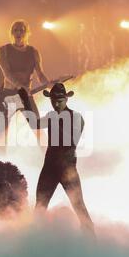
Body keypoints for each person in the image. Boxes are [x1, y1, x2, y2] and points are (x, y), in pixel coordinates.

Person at [18, 83, 95, 236]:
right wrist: (26, 101)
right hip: (51, 167)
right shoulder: (54, 116)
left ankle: (91, 240)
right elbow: (35, 124)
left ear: (66, 99)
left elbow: (70, 142)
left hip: (66, 168)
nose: (56, 103)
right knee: (40, 207)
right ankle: (33, 242)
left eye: (59, 99)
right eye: (53, 100)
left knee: (78, 206)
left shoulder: (76, 118)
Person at [0, 19, 49, 155]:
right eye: (15, 30)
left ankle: (50, 160)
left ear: (27, 33)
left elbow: (40, 73)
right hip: (8, 95)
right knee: (3, 131)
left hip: (26, 97)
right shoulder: (4, 50)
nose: (18, 32)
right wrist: (20, 86)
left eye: (21, 30)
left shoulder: (33, 52)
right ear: (11, 33)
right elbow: (7, 73)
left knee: (37, 128)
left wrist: (49, 85)